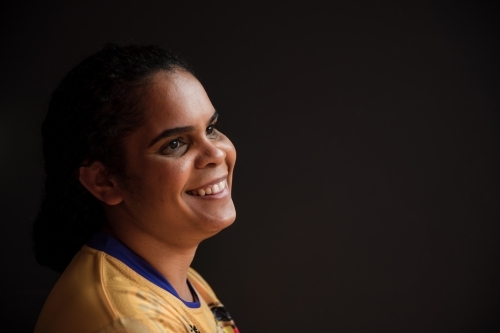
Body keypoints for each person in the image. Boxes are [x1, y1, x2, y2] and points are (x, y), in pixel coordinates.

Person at [32, 44, 240, 333]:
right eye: (175, 144)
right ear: (104, 181)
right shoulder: (127, 323)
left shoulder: (181, 281)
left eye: (210, 128)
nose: (216, 154)